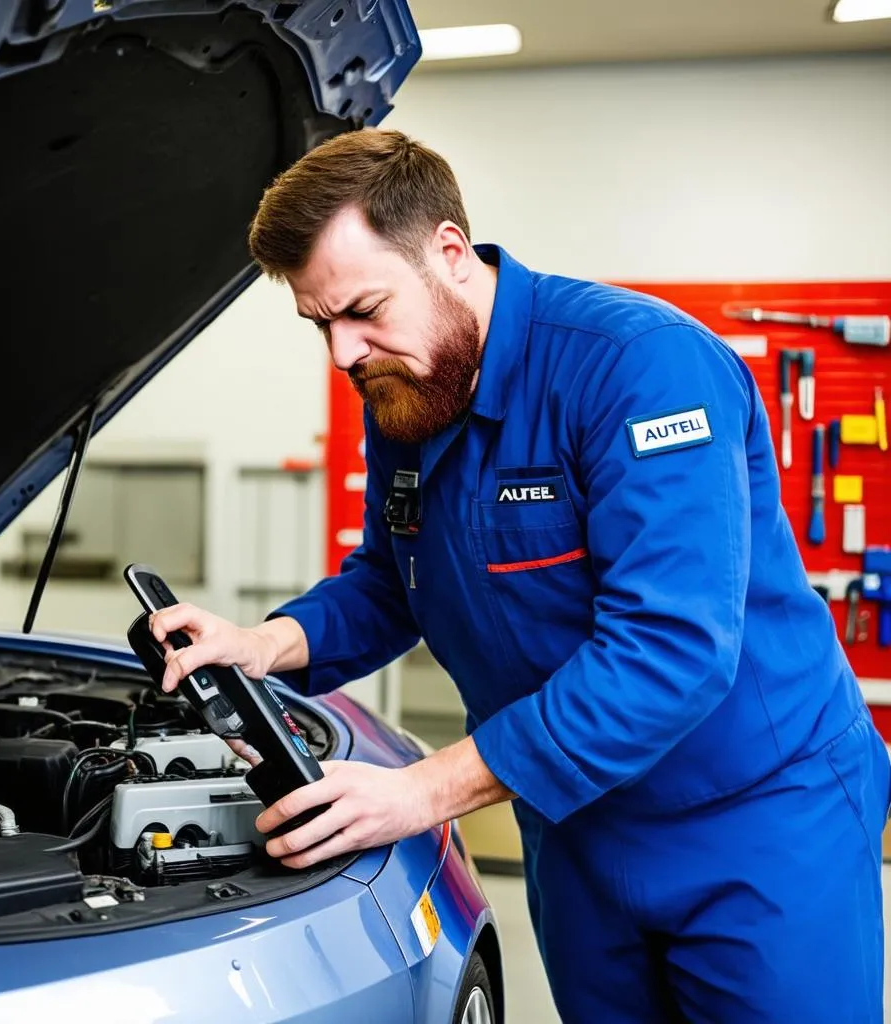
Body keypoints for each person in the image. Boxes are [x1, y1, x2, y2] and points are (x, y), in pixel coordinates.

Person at [150, 128, 889, 1022]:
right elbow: (394, 580)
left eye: (364, 310)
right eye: (321, 324)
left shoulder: (641, 369)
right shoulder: (408, 392)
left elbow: (672, 651)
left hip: (755, 819)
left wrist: (421, 791)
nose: (344, 354)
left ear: (450, 254)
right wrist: (262, 644)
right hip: (572, 820)